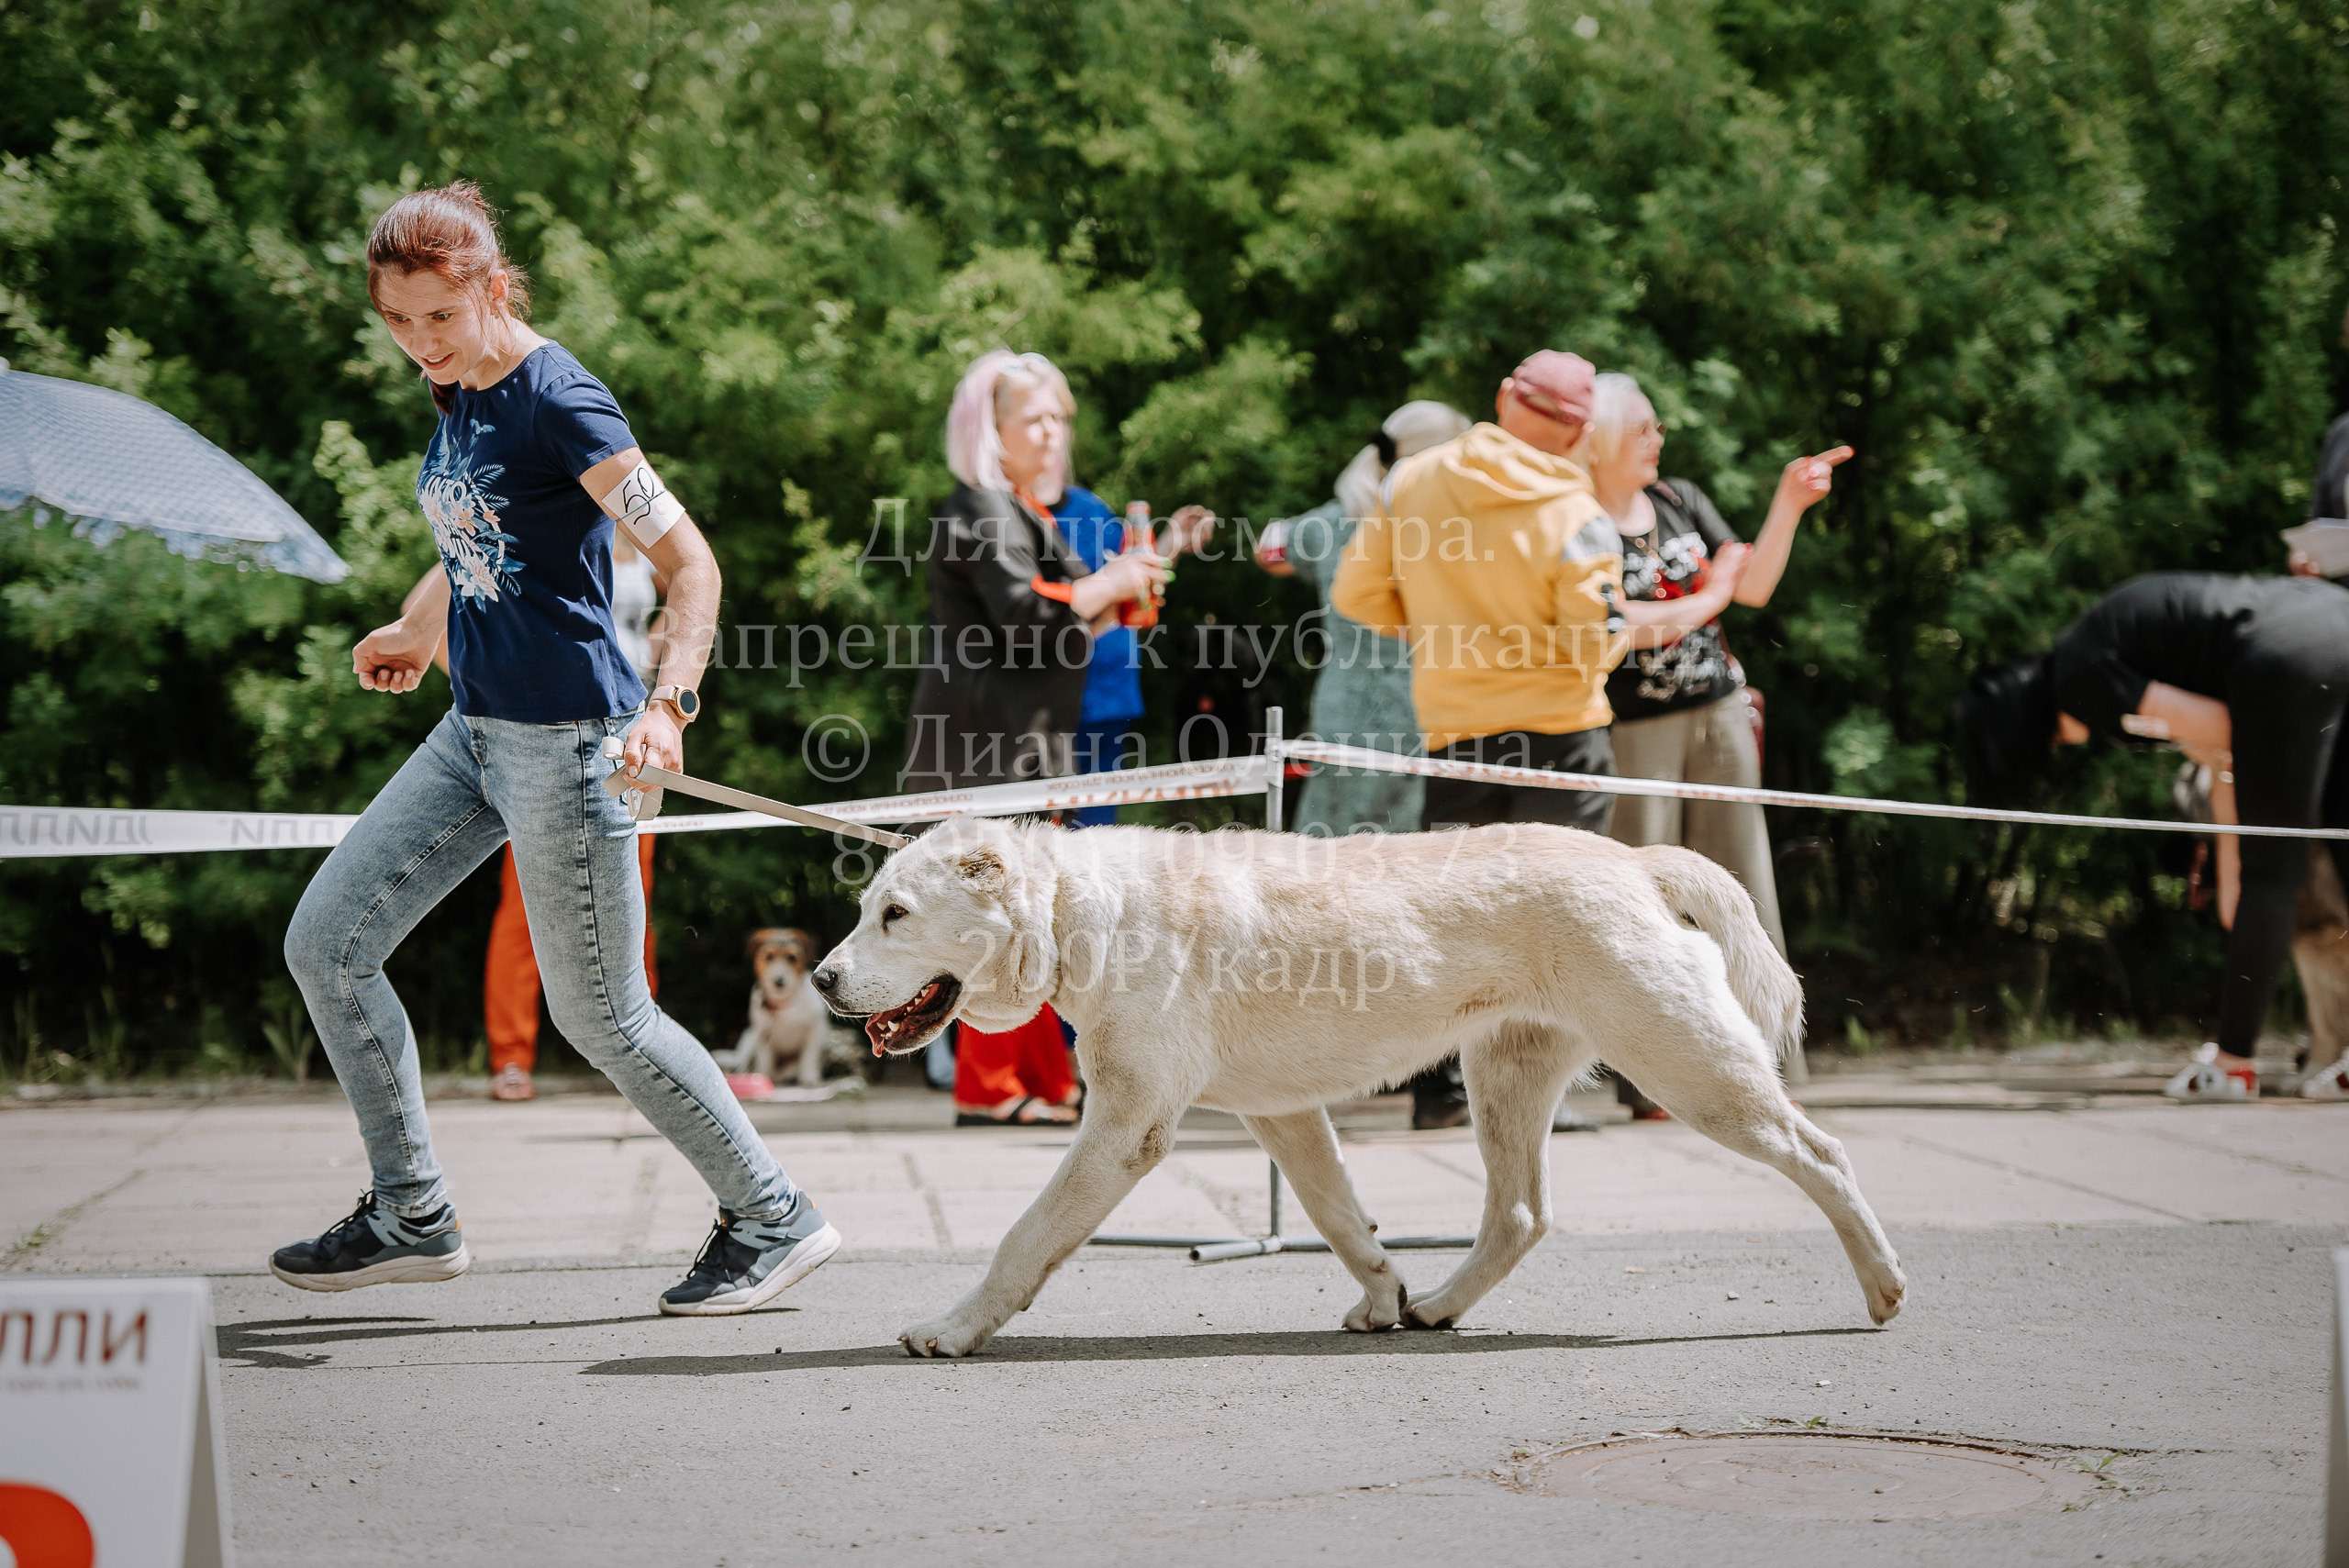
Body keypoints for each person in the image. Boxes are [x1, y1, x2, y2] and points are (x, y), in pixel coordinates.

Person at [272, 182, 841, 1315]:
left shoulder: (560, 399)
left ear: (492, 288)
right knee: (327, 944)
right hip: (471, 732)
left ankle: (774, 1215)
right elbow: (484, 531)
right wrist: (418, 626)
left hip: (571, 739)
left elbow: (691, 565)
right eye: (398, 321)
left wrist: (669, 702)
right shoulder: (461, 390)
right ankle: (413, 1210)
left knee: (602, 1014)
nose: (419, 343)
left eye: (440, 316)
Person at [906, 350, 1201, 1125]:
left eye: (1058, 416)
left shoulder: (1028, 513)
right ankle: (988, 1086)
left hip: (1036, 737)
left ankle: (1044, 1078)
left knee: (1040, 908)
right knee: (988, 911)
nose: (1052, 431)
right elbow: (1033, 616)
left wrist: (1135, 580)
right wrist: (1113, 582)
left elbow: (1080, 618)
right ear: (989, 430)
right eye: (1033, 417)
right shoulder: (976, 506)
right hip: (986, 738)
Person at [1955, 572, 2349, 1102]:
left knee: (2274, 869)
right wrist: (2230, 870)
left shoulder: (2079, 677)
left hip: (2287, 653)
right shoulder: (2094, 646)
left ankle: (2233, 1065)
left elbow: (2222, 728)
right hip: (2332, 619)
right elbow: (2223, 754)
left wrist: (2245, 877)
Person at [1579, 372, 1850, 1108]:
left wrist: (1788, 501)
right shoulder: (1575, 518)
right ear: (1602, 440)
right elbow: (1621, 624)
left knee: (1742, 883)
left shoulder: (1680, 498)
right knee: (1647, 907)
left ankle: (1768, 1062)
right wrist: (1712, 594)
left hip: (1720, 711)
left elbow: (1754, 583)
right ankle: (1652, 1080)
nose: (1658, 438)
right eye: (1645, 428)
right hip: (1632, 731)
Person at [479, 528, 666, 1101]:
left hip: (629, 736)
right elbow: (436, 598)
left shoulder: (635, 521)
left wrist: (659, 644)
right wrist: (482, 688)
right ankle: (512, 1057)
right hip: (546, 736)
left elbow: (691, 579)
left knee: (634, 896)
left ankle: (643, 1051)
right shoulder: (531, 510)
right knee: (524, 908)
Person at [1256, 401, 1471, 835]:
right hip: (1423, 706)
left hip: (1343, 706)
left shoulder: (1336, 521)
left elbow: (1268, 548)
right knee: (1408, 854)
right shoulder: (1450, 527)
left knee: (1329, 844)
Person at [1052, 489, 1214, 826]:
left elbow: (1136, 573)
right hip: (1053, 697)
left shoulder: (1092, 510)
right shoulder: (1017, 515)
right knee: (1044, 820)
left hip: (1105, 691)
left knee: (1093, 824)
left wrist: (1171, 539)